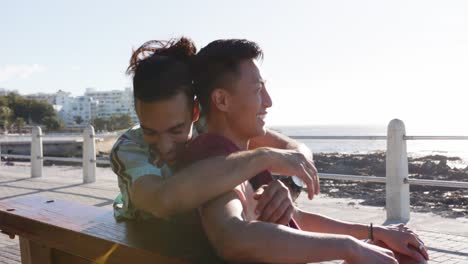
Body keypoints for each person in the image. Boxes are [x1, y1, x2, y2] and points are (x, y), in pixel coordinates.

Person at [183, 38, 429, 264]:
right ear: (222, 101)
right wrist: (349, 247)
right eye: (258, 90)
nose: (269, 102)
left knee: (400, 250)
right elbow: (232, 239)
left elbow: (296, 219)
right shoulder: (213, 156)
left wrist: (374, 232)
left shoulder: (241, 156)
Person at [110, 37, 319, 227]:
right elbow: (162, 200)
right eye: (150, 132)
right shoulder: (130, 147)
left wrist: (285, 188)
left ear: (194, 112)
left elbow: (296, 151)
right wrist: (264, 157)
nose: (164, 146)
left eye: (176, 130)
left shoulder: (206, 121)